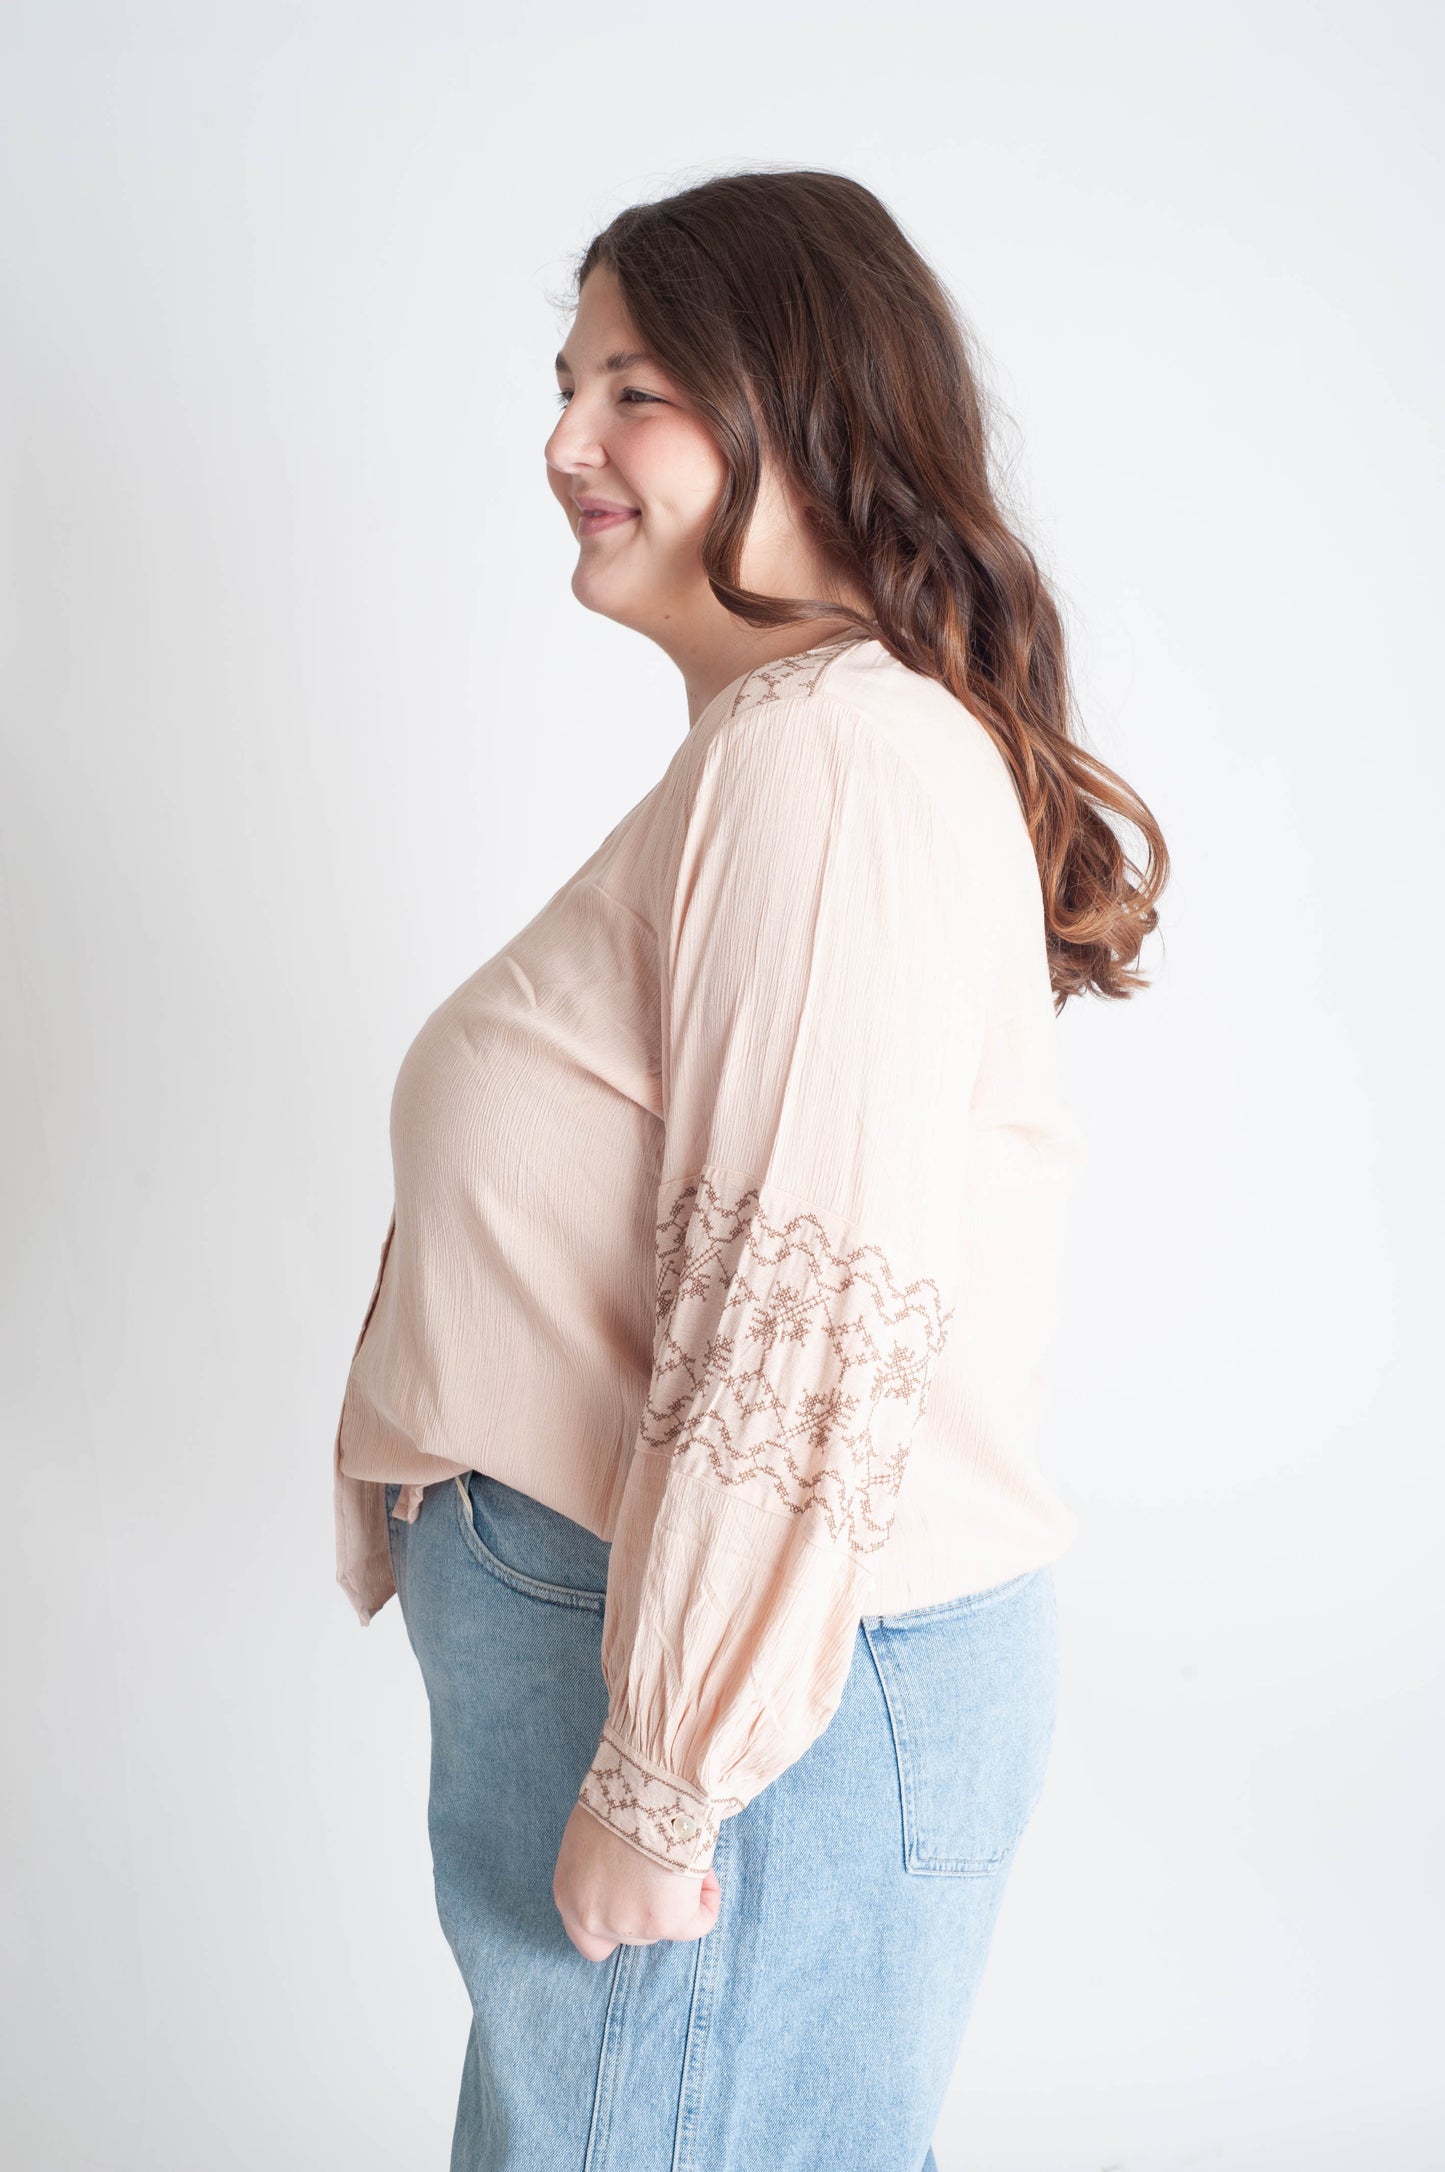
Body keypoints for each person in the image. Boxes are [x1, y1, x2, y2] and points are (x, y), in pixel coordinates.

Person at [331, 167, 1168, 2171]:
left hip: (730, 1713)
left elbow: (807, 1295)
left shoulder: (834, 767)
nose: (562, 444)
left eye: (634, 390)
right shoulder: (790, 747)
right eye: (564, 387)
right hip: (697, 1670)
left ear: (790, 407)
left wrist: (668, 1769)